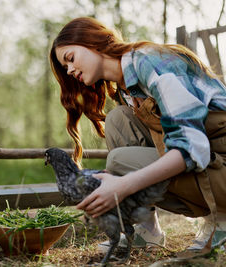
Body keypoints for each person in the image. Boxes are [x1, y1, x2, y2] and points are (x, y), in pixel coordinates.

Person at [49, 17, 226, 252]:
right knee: (117, 120)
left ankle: (221, 220)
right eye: (65, 68)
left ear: (92, 40)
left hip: (219, 165)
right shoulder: (126, 88)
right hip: (212, 166)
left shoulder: (149, 62)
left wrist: (123, 185)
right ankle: (148, 230)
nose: (70, 70)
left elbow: (191, 147)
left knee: (120, 160)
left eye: (70, 59)